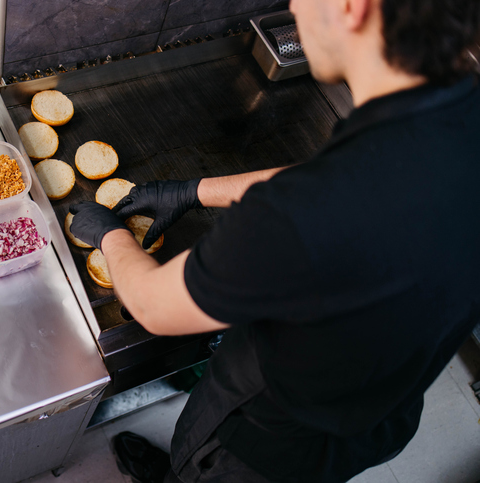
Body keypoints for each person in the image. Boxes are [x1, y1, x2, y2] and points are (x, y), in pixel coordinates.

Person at [70, 0, 480, 481]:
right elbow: (352, 175)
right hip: (381, 414)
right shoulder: (458, 114)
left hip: (263, 445)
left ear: (353, 7)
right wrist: (196, 190)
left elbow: (154, 306)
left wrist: (111, 234)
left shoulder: (308, 215)